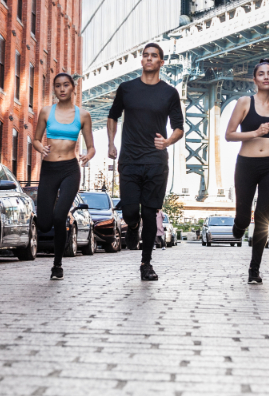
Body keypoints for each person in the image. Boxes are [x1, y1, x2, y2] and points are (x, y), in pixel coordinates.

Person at [107, 42, 183, 281]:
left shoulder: (169, 92)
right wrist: (111, 143)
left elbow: (179, 127)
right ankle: (131, 225)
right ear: (142, 61)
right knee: (130, 209)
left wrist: (168, 142)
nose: (149, 59)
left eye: (154, 56)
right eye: (145, 55)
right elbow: (112, 116)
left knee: (150, 214)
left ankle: (146, 263)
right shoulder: (126, 88)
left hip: (155, 161)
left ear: (161, 62)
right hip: (129, 160)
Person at [224, 59, 269, 284]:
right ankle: (240, 224)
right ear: (254, 80)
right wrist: (255, 132)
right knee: (244, 217)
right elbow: (230, 134)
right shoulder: (244, 102)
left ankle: (254, 269)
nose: (265, 77)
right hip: (246, 164)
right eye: (261, 74)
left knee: (263, 218)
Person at [32, 73, 95, 280]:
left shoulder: (83, 115)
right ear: (54, 89)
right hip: (49, 170)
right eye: (57, 86)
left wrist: (87, 155)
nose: (61, 89)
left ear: (73, 88)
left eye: (66, 85)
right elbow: (36, 139)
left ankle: (57, 265)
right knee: (43, 224)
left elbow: (92, 147)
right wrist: (40, 148)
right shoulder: (45, 112)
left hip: (70, 169)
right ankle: (53, 218)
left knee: (60, 217)